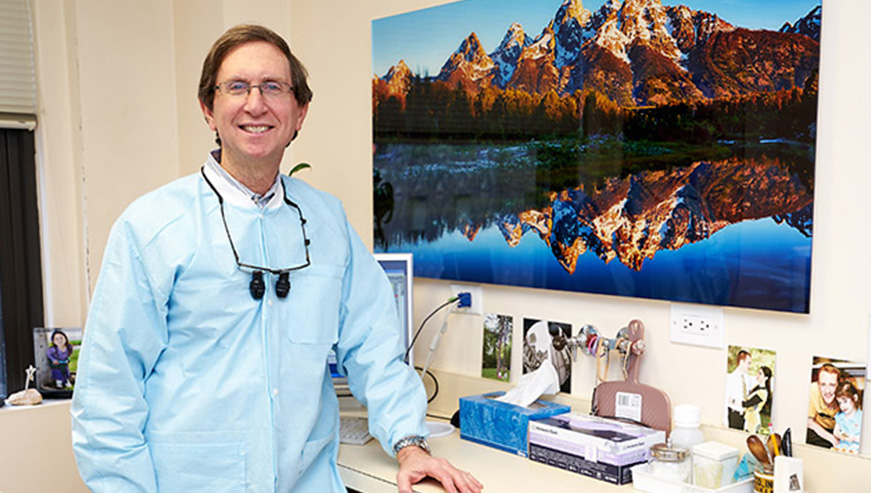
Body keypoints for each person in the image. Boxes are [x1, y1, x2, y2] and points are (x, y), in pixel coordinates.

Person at [70, 24, 482, 493]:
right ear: (209, 109)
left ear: (299, 111)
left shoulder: (326, 222)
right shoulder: (150, 228)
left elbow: (374, 348)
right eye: (237, 87)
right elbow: (108, 395)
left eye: (273, 87)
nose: (255, 104)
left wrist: (411, 445)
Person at [806, 363, 841, 448]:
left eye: (832, 385)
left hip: (839, 430)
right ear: (818, 384)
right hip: (818, 427)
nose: (827, 391)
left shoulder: (844, 395)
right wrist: (832, 439)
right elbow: (809, 422)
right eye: (823, 384)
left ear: (838, 385)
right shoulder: (812, 390)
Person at [724, 349, 754, 429]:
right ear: (741, 362)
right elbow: (727, 399)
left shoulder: (748, 379)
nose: (750, 366)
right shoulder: (731, 378)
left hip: (744, 416)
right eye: (748, 363)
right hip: (734, 415)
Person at [832, 380, 862, 454]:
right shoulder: (840, 416)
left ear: (855, 398)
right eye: (840, 403)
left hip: (857, 449)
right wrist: (840, 436)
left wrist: (854, 438)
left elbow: (867, 440)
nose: (843, 406)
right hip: (843, 447)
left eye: (845, 401)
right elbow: (835, 432)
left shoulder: (862, 417)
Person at [742, 366, 772, 434]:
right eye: (758, 373)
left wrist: (733, 401)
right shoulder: (757, 388)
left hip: (753, 421)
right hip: (748, 418)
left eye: (760, 373)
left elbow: (747, 404)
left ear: (766, 378)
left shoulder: (763, 393)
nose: (757, 375)